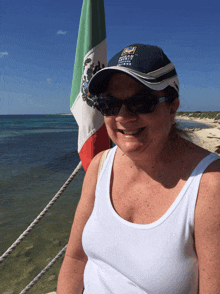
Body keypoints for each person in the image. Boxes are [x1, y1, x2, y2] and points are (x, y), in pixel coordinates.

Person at [57, 44, 220, 294]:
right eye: (110, 104)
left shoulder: (210, 184)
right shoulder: (100, 166)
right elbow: (76, 259)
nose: (123, 116)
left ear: (172, 106)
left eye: (141, 103)